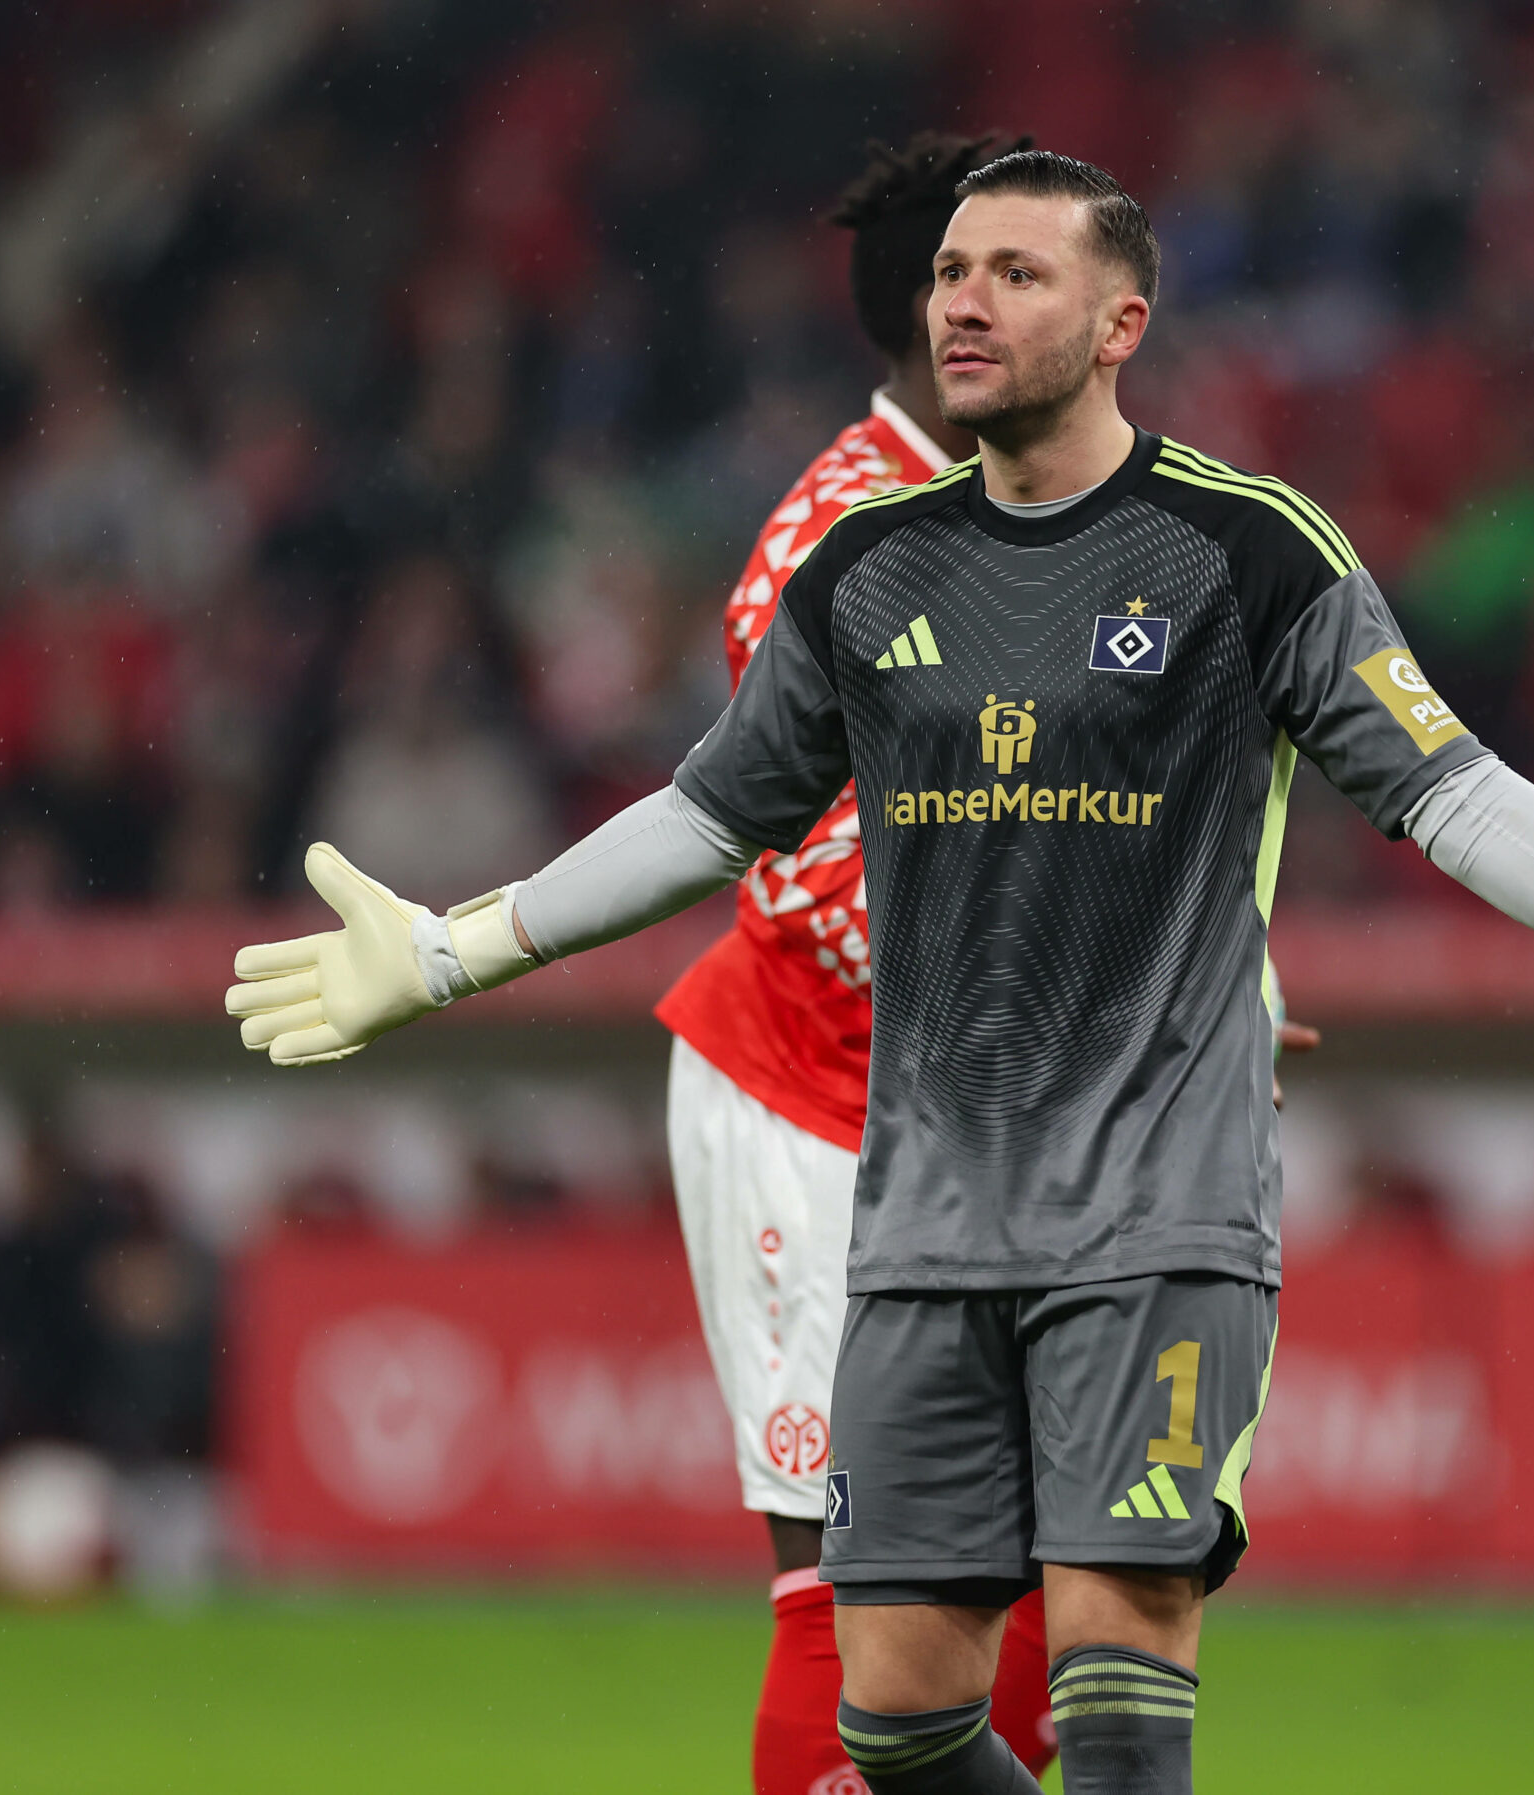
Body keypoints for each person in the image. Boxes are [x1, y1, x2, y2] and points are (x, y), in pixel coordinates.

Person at [226, 149, 1534, 1795]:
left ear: (1119, 324)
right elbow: (705, 817)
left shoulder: (1246, 547)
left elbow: (1449, 788)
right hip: (924, 1223)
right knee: (899, 1711)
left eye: (1017, 274)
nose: (966, 301)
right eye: (953, 272)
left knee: (1110, 1654)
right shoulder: (866, 565)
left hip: (1156, 1215)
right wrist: (451, 950)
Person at [648, 130, 1060, 1794]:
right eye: (1014, 271)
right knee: (853, 1574)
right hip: (809, 1105)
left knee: (1048, 1577)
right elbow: (817, 870)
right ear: (943, 319)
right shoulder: (840, 535)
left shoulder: (1050, 520)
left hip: (979, 1129)